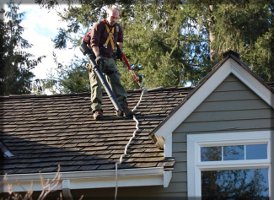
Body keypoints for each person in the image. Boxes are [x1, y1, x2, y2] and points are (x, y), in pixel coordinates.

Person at [81, 5, 133, 120]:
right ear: (107, 15)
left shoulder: (118, 28)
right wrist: (97, 56)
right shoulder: (98, 26)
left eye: (116, 18)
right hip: (96, 57)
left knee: (116, 79)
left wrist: (119, 51)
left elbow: (119, 41)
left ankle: (123, 106)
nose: (114, 19)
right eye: (112, 17)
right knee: (96, 83)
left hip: (109, 58)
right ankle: (97, 109)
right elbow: (94, 43)